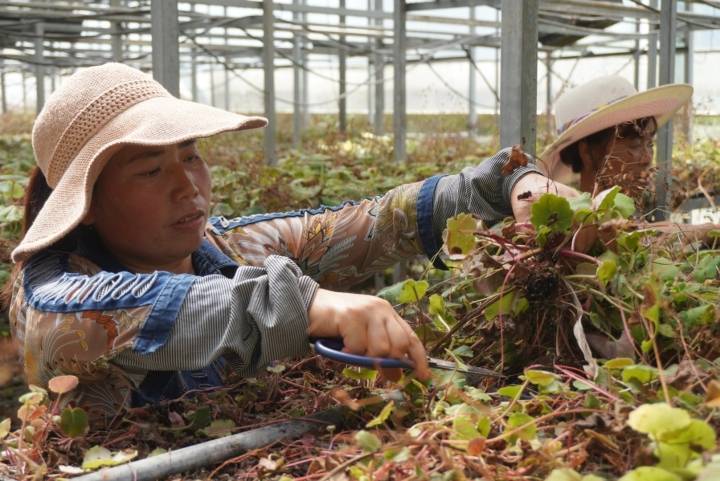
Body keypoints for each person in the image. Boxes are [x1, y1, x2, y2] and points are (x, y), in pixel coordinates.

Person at [6, 63, 566, 422]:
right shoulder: (54, 301)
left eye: (192, 156)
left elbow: (371, 223)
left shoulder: (232, 248)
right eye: (150, 171)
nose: (188, 186)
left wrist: (507, 186)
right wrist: (309, 305)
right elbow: (111, 314)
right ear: (88, 204)